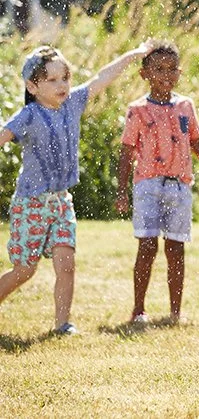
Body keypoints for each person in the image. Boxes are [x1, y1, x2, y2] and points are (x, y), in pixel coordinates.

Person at [0, 43, 151, 335]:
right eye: (52, 80)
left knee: (66, 264)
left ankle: (62, 324)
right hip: (31, 202)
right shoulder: (29, 115)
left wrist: (134, 54)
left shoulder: (73, 104)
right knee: (24, 270)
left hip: (61, 202)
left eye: (65, 78)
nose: (62, 85)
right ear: (32, 86)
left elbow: (102, 77)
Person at [115, 40, 199, 324]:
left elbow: (196, 143)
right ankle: (138, 309)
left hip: (180, 186)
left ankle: (175, 312)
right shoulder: (137, 110)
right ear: (144, 74)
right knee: (147, 246)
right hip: (147, 185)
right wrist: (122, 191)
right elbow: (127, 151)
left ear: (179, 73)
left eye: (172, 69)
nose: (166, 74)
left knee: (176, 248)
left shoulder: (185, 106)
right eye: (159, 69)